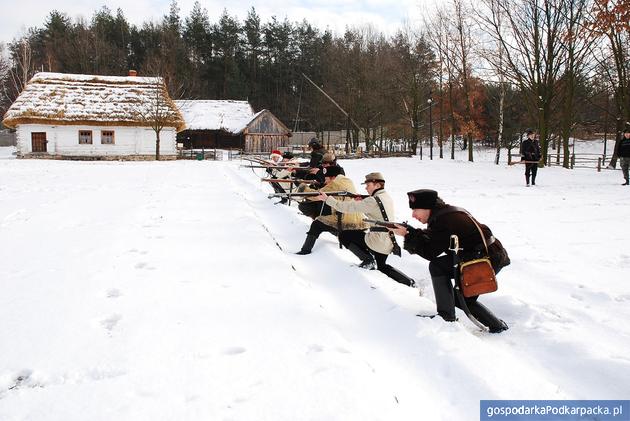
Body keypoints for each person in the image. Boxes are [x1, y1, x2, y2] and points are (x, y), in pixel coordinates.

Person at [390, 189, 510, 333]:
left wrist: (407, 236)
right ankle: (494, 325)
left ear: (428, 207)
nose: (413, 215)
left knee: (439, 269)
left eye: (416, 209)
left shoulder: (444, 220)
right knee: (461, 297)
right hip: (483, 255)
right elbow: (436, 238)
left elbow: (430, 252)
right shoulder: (444, 214)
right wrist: (411, 232)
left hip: (485, 259)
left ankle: (449, 318)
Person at [317, 172, 416, 287]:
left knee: (344, 235)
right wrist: (361, 201)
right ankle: (408, 282)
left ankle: (368, 260)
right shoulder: (385, 197)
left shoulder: (372, 200)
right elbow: (374, 211)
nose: (366, 187)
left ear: (377, 185)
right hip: (387, 240)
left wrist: (328, 199)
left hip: (377, 240)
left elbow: (348, 208)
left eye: (368, 185)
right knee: (382, 266)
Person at [295, 166, 365, 255]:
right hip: (356, 217)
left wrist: (302, 186)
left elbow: (315, 196)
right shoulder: (347, 180)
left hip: (343, 217)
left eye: (326, 178)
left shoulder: (334, 184)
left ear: (332, 177)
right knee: (341, 234)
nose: (325, 181)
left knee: (316, 224)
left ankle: (305, 250)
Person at [297, 152, 345, 218]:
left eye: (325, 163)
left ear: (332, 163)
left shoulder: (339, 171)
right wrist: (296, 172)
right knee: (305, 204)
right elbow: (308, 175)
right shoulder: (322, 168)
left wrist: (319, 173)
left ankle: (320, 219)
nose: (323, 165)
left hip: (331, 197)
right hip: (322, 192)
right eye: (322, 163)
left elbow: (331, 183)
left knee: (306, 205)